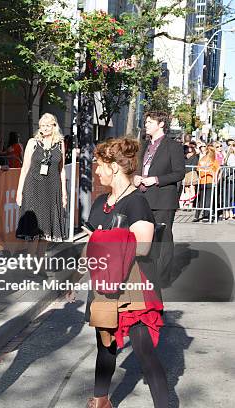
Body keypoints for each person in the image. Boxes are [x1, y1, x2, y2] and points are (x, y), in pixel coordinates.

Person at [74, 137, 168, 408]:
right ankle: (101, 400)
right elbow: (90, 246)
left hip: (133, 287)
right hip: (105, 285)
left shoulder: (136, 202)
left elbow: (142, 245)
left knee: (144, 353)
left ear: (114, 167)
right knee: (105, 345)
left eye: (100, 165)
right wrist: (74, 277)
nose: (97, 171)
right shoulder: (100, 202)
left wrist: (104, 238)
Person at [134, 111, 184, 285]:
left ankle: (162, 279)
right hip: (142, 198)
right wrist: (136, 177)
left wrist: (155, 180)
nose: (146, 124)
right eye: (146, 121)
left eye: (149, 122)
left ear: (161, 124)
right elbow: (138, 167)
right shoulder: (144, 145)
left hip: (163, 199)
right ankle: (144, 274)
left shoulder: (173, 146)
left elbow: (179, 173)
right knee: (143, 238)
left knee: (162, 239)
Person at [16, 113, 67, 251]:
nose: (44, 128)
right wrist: (19, 192)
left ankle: (39, 266)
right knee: (33, 229)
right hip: (33, 186)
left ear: (54, 126)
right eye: (42, 126)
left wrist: (64, 193)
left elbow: (61, 169)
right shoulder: (33, 142)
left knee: (46, 230)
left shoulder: (60, 144)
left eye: (47, 125)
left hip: (52, 188)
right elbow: (24, 168)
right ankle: (30, 266)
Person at [194, 144, 220, 222]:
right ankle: (205, 216)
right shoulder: (214, 161)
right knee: (208, 199)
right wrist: (216, 181)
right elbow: (217, 171)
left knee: (201, 199)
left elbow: (198, 169)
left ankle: (196, 216)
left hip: (202, 181)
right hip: (210, 181)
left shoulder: (202, 159)